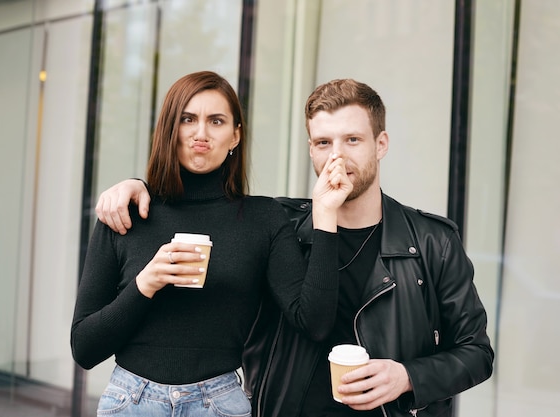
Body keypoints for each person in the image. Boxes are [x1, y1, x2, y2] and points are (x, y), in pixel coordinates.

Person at [95, 78, 494, 417]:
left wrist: (407, 376)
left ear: (381, 143)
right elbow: (208, 211)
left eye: (353, 140)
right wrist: (137, 187)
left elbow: (477, 352)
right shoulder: (277, 224)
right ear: (311, 149)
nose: (337, 156)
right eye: (323, 142)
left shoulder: (432, 242)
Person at [71, 71, 353, 417]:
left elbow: (314, 321)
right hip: (131, 402)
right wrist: (145, 284)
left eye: (216, 121)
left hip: (217, 403)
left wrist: (325, 215)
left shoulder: (263, 218)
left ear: (235, 135)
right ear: (169, 130)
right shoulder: (127, 213)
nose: (200, 133)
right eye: (187, 119)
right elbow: (84, 348)